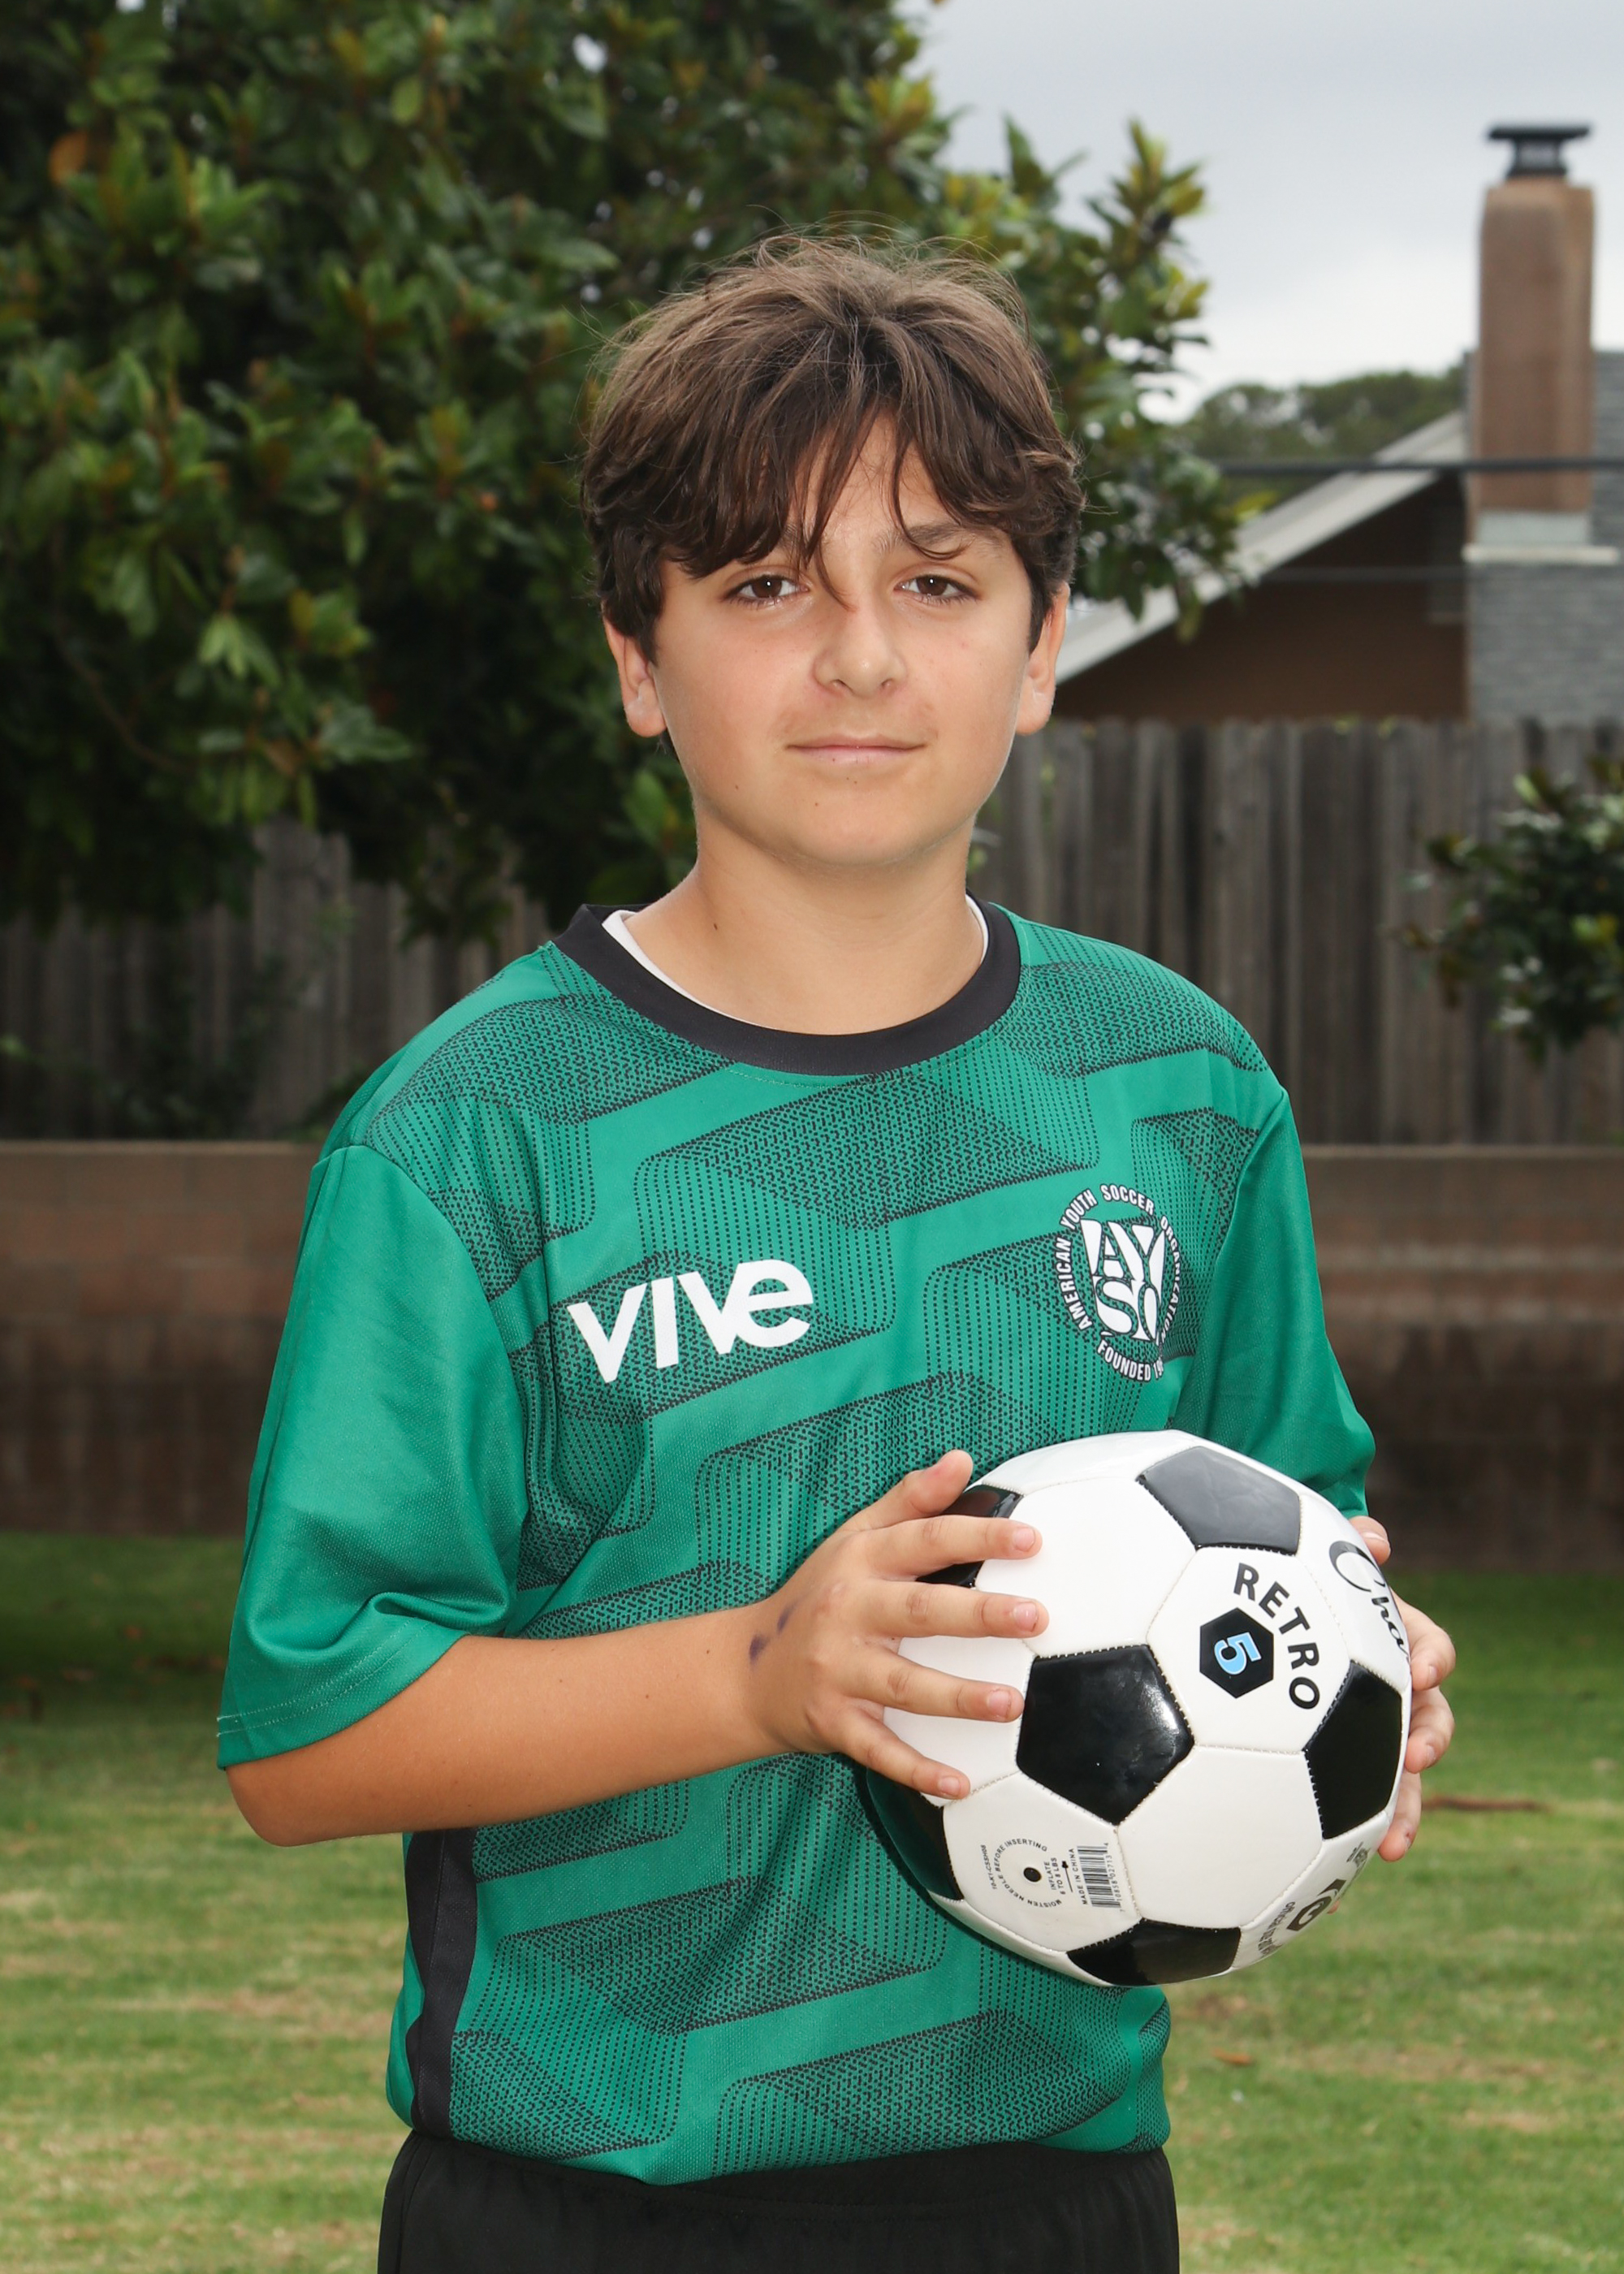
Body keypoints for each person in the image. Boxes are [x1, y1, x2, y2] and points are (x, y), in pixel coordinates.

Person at [220, 240, 1456, 2274]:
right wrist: (757, 1673)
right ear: (639, 658)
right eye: (767, 584)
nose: (861, 656)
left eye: (939, 581)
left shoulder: (1178, 1093)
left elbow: (1294, 1538)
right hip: (587, 2209)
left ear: (1041, 647)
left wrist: (1359, 1670)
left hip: (1053, 2198)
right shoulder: (474, 1131)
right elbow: (305, 1733)